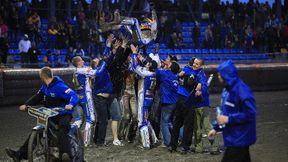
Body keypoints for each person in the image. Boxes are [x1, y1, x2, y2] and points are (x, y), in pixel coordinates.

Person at [5, 67, 79, 161]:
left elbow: (73, 95)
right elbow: (37, 97)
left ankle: (66, 154)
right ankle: (20, 155)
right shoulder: (45, 87)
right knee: (40, 129)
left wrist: (71, 104)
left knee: (62, 129)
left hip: (63, 114)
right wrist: (26, 104)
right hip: (50, 114)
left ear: (42, 76)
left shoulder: (60, 86)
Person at [208, 60, 256, 162]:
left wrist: (228, 119)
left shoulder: (242, 91)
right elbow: (225, 111)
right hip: (233, 137)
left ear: (226, 75)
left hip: (240, 138)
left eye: (220, 75)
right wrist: (216, 128)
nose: (218, 77)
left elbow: (250, 114)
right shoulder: (227, 90)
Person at [130, 44, 159, 149]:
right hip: (150, 97)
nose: (147, 63)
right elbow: (150, 64)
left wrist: (134, 54)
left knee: (142, 122)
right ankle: (155, 139)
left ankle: (146, 144)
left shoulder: (146, 73)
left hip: (144, 99)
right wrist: (140, 56)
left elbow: (134, 66)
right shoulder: (155, 73)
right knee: (146, 119)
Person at [71, 56, 95, 147]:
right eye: (81, 60)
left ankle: (70, 136)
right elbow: (94, 73)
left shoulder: (75, 72)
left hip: (78, 97)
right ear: (78, 63)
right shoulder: (83, 70)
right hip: (85, 96)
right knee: (90, 118)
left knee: (78, 120)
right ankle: (86, 142)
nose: (83, 61)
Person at [156, 60, 179, 147]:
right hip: (175, 101)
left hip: (167, 102)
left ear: (170, 67)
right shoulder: (175, 76)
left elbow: (156, 70)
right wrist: (166, 66)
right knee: (174, 121)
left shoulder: (165, 74)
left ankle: (167, 142)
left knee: (164, 122)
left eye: (170, 64)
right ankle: (180, 138)